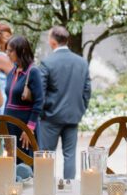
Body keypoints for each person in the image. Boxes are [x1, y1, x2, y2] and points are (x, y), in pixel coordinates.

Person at [38, 26, 92, 181]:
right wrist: (80, 109)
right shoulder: (81, 62)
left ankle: (45, 187)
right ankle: (70, 188)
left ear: (53, 41)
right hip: (72, 116)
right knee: (70, 155)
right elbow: (87, 90)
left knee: (47, 155)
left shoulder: (47, 63)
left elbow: (40, 93)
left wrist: (43, 113)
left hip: (50, 117)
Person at [4, 35, 44, 159]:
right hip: (10, 126)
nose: (7, 54)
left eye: (11, 51)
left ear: (21, 51)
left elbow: (39, 101)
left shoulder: (33, 72)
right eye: (7, 51)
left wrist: (29, 128)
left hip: (24, 128)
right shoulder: (13, 71)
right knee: (11, 164)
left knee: (26, 164)